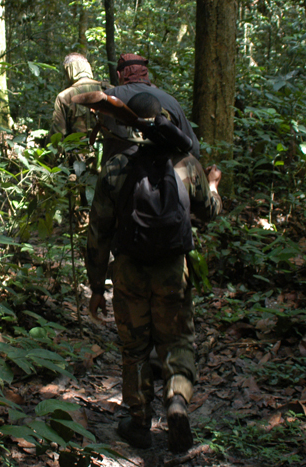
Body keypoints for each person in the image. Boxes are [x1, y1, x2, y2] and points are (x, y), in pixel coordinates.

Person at [86, 92, 222, 453]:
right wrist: (211, 186)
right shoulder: (186, 163)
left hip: (129, 270)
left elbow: (98, 230)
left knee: (134, 348)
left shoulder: (116, 167)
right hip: (172, 270)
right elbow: (209, 213)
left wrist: (97, 286)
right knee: (177, 341)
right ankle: (177, 399)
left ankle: (138, 422)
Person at [100, 53, 200, 163]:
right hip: (164, 175)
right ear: (146, 74)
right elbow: (193, 149)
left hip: (115, 174)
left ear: (119, 75)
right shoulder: (170, 101)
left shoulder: (105, 99)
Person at [51, 53, 109, 139]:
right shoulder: (109, 90)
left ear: (68, 71)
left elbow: (58, 134)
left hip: (78, 150)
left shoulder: (64, 96)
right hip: (109, 150)